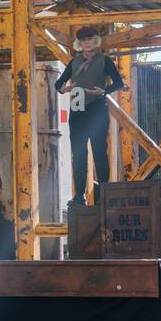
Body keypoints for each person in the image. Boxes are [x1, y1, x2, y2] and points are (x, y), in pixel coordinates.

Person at [54, 26, 126, 208]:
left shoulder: (104, 60)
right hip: (77, 106)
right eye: (82, 41)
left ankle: (103, 195)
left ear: (95, 41)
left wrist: (104, 91)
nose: (86, 43)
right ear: (79, 44)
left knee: (99, 152)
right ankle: (79, 196)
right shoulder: (74, 61)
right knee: (78, 154)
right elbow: (58, 84)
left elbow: (118, 83)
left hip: (97, 107)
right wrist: (65, 89)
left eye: (89, 40)